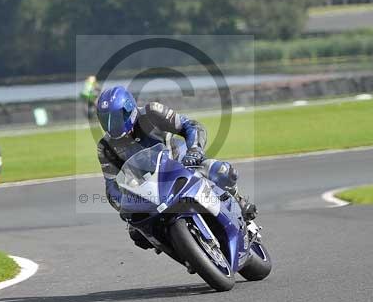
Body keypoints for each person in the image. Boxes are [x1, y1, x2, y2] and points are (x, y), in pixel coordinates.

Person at [95, 86, 257, 249]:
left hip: (182, 164)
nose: (111, 125)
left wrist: (194, 149)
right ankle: (184, 251)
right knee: (137, 233)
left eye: (116, 118)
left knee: (221, 171)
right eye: (105, 119)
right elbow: (111, 186)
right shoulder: (105, 146)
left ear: (129, 108)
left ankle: (238, 200)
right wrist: (124, 203)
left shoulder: (151, 113)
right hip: (149, 189)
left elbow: (191, 125)